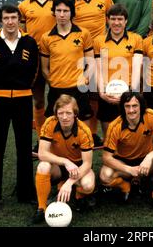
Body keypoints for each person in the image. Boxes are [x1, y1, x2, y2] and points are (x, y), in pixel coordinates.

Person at [0, 4, 39, 211]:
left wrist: (22, 91)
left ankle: (26, 193)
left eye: (14, 17)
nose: (10, 22)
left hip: (23, 100)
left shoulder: (30, 42)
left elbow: (35, 71)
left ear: (19, 19)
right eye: (6, 18)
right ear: (1, 20)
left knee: (24, 148)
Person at [99, 92, 153, 210]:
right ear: (122, 108)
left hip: (146, 162)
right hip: (125, 163)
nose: (131, 110)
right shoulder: (115, 126)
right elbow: (106, 157)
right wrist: (128, 169)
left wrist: (149, 157)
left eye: (135, 106)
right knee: (105, 176)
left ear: (141, 106)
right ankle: (125, 185)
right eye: (127, 106)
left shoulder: (149, 115)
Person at [31, 95, 96, 224]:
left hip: (78, 167)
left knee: (88, 185)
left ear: (75, 114)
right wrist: (65, 162)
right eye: (61, 113)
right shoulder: (50, 122)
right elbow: (42, 153)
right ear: (56, 114)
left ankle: (78, 194)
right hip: (59, 166)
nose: (64, 117)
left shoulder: (84, 130)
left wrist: (69, 182)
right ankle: (41, 207)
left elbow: (87, 164)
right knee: (43, 166)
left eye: (68, 113)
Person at [73, 0, 114, 146]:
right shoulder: (72, 1)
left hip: (100, 52)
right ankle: (84, 133)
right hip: (79, 53)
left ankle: (95, 133)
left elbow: (113, 21)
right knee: (82, 94)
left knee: (98, 93)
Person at [40, 0, 94, 126]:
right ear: (54, 12)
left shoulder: (84, 33)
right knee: (55, 131)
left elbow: (91, 62)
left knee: (84, 131)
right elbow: (44, 68)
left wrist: (85, 79)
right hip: (56, 90)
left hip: (79, 89)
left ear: (72, 12)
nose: (62, 14)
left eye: (66, 11)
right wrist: (53, 82)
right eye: (58, 10)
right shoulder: (46, 38)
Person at [18, 0, 55, 158]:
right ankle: (42, 139)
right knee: (39, 99)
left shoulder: (57, 4)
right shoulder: (24, 6)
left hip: (56, 57)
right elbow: (20, 33)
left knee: (58, 98)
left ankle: (58, 137)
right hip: (34, 58)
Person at [93, 3, 143, 134]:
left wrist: (132, 93)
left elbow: (137, 67)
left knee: (130, 134)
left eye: (120, 19)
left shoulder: (136, 39)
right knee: (109, 135)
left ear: (126, 21)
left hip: (129, 94)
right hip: (107, 94)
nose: (116, 23)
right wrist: (102, 93)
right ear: (108, 20)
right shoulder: (99, 41)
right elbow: (98, 69)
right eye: (113, 19)